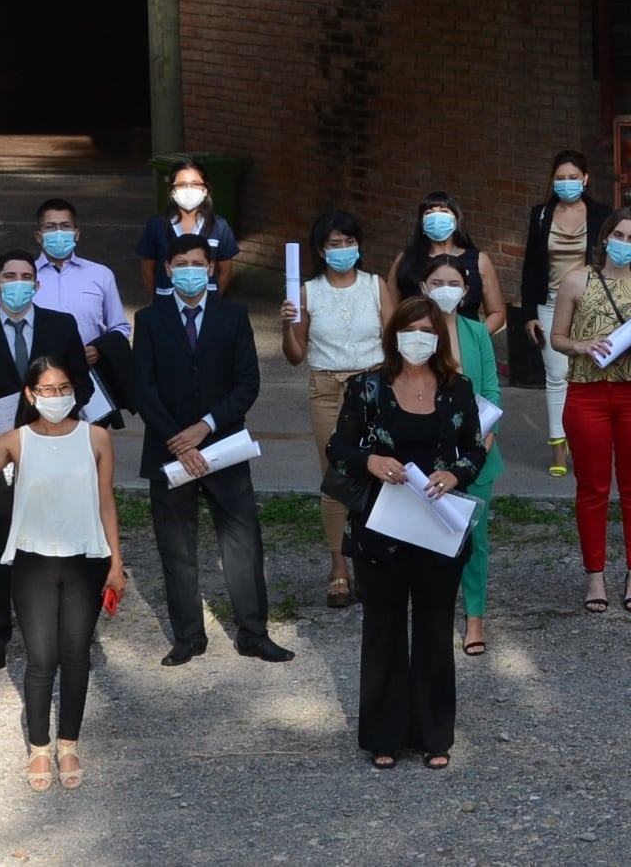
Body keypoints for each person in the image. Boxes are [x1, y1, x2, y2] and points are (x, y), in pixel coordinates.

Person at [328, 298, 492, 769]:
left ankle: (434, 735)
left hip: (438, 526)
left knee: (435, 626)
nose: (417, 337)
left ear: (438, 337)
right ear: (394, 335)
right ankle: (384, 735)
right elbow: (337, 445)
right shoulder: (367, 388)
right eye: (409, 328)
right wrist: (370, 461)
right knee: (383, 626)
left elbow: (475, 450)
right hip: (382, 527)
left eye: (427, 329)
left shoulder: (456, 389)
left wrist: (456, 474)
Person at [0, 356, 125, 792]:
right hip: (33, 560)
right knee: (41, 659)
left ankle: (68, 743)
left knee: (76, 656)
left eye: (63, 387)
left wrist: (116, 561)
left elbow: (106, 500)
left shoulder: (98, 438)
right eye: (47, 389)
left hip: (85, 559)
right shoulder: (16, 440)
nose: (57, 397)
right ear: (30, 395)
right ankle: (38, 747)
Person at [134, 234, 292, 665]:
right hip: (169, 451)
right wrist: (177, 440)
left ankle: (253, 632)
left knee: (242, 542)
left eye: (198, 262)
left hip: (223, 447)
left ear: (210, 268)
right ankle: (188, 637)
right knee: (177, 547)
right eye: (180, 262)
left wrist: (204, 428)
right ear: (168, 269)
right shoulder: (149, 320)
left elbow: (247, 383)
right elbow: (142, 389)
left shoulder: (234, 316)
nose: (189, 269)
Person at [0, 251, 96, 681]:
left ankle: (60, 638)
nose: (17, 282)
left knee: (58, 546)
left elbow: (81, 386)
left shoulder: (60, 325)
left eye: (25, 276)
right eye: (8, 276)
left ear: (37, 283)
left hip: (54, 454)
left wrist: (55, 424)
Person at [547, 209, 631, 613]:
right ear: (603, 239)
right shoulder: (575, 280)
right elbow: (558, 337)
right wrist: (582, 346)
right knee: (592, 488)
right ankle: (595, 576)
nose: (624, 243)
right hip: (587, 393)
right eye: (618, 234)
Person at [283, 210, 399, 609]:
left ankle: (372, 561)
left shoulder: (374, 285)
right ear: (321, 249)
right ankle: (338, 568)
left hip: (373, 384)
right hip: (328, 387)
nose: (344, 249)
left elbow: (394, 339)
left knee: (380, 473)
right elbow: (296, 355)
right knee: (336, 478)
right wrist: (287, 325)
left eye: (350, 242)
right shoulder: (307, 292)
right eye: (335, 244)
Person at [412, 258, 506, 656]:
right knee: (425, 538)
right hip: (423, 452)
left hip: (474, 451)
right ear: (423, 286)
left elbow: (491, 389)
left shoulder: (475, 331)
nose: (446, 288)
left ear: (466, 290)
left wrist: (483, 440)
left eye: (454, 282)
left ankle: (474, 618)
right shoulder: (413, 331)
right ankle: (431, 616)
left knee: (474, 539)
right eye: (437, 281)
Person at [515, 150, 611, 480]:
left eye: (573, 177)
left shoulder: (601, 214)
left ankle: (585, 441)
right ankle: (558, 443)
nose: (566, 184)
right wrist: (528, 313)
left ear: (585, 179)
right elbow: (530, 267)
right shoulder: (540, 214)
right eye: (560, 178)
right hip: (551, 303)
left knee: (588, 373)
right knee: (556, 375)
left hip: (590, 303)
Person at [29, 198, 142, 427]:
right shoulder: (23, 277)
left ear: (77, 233)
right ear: (39, 235)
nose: (58, 232)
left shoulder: (100, 275)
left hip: (88, 380)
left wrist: (99, 350)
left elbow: (119, 327)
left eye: (65, 226)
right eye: (50, 227)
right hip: (39, 381)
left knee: (90, 449)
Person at [389, 191, 509, 333]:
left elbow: (497, 313)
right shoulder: (405, 259)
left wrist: (474, 338)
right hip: (418, 343)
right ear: (421, 222)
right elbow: (390, 309)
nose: (436, 217)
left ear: (456, 220)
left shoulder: (479, 261)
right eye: (429, 213)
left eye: (444, 211)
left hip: (464, 346)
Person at [137, 159, 240, 292]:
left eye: (195, 184)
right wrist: (158, 303)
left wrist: (213, 303)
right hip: (166, 304)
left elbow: (226, 272)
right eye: (181, 184)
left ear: (205, 190)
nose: (188, 190)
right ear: (172, 191)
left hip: (208, 306)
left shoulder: (219, 226)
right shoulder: (157, 225)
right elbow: (147, 270)